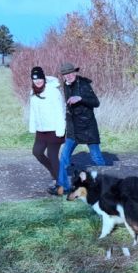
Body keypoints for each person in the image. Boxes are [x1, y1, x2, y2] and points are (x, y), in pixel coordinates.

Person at [57, 62, 109, 193]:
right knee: (64, 156)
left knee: (96, 157)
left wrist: (80, 98)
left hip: (87, 127)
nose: (68, 76)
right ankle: (64, 186)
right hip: (73, 129)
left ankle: (106, 184)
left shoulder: (84, 84)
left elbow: (96, 102)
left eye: (70, 73)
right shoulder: (66, 85)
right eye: (65, 74)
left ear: (74, 72)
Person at [27, 66, 65, 195]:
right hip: (41, 129)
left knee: (52, 156)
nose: (37, 81)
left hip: (54, 129)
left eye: (39, 78)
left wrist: (61, 130)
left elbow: (60, 111)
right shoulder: (33, 92)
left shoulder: (53, 91)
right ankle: (56, 174)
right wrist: (33, 127)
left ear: (43, 78)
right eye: (35, 79)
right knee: (37, 152)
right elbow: (33, 111)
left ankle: (61, 185)